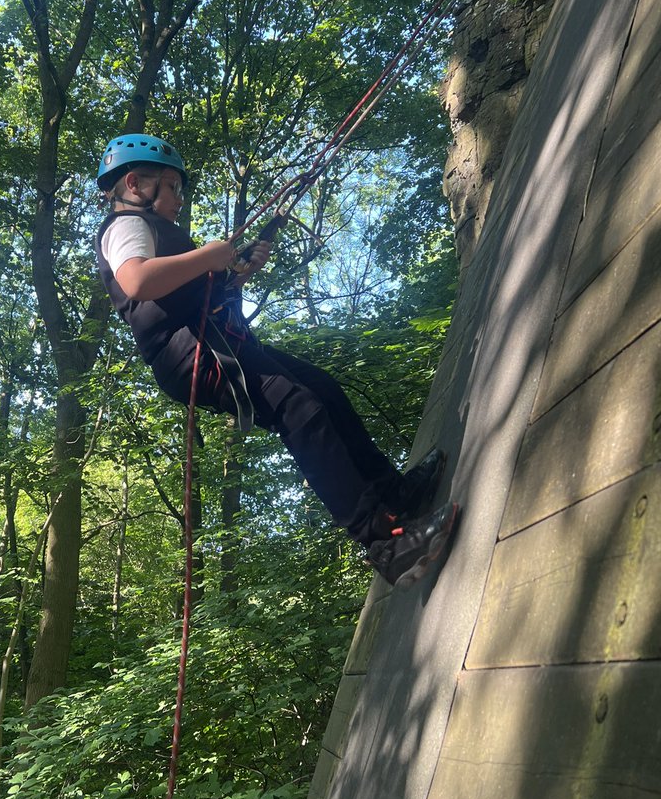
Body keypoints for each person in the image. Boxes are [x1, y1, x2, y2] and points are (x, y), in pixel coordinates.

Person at [94, 133, 457, 589]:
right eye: (172, 188)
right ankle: (385, 543)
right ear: (134, 184)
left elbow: (200, 295)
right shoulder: (125, 227)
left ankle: (393, 495)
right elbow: (138, 283)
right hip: (195, 356)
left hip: (220, 343)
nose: (179, 201)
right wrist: (210, 254)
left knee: (321, 388)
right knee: (298, 408)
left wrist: (240, 270)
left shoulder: (160, 234)